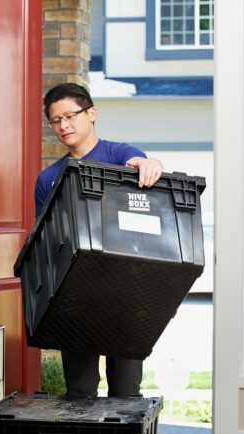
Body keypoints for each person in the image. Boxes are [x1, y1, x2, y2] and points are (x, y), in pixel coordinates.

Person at [36, 83, 163, 398]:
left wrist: (149, 165)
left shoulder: (118, 154)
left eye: (70, 115)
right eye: (55, 120)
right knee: (79, 392)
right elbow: (45, 240)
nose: (63, 126)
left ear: (91, 113)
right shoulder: (48, 178)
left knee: (126, 392)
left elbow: (141, 163)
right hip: (75, 298)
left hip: (127, 295)